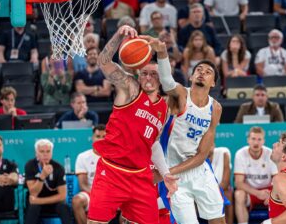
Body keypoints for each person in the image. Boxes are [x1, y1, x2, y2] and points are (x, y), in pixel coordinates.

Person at [86, 25, 177, 224]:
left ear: (161, 77)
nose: (148, 77)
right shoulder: (130, 88)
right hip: (112, 171)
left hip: (140, 177)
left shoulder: (164, 109)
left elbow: (153, 143)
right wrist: (119, 34)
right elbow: (103, 61)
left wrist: (166, 173)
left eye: (154, 74)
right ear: (138, 74)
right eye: (144, 73)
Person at [143, 33, 225, 224]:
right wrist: (162, 52)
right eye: (199, 69)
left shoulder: (216, 108)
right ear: (191, 76)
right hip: (174, 175)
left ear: (213, 82)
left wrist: (168, 171)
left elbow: (202, 155)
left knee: (218, 221)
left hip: (197, 170)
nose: (202, 72)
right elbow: (166, 81)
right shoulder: (181, 94)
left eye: (208, 71)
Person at [234, 127, 277, 224]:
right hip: (250, 191)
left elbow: (277, 179)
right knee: (239, 194)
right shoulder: (240, 154)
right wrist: (257, 193)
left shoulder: (271, 154)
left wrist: (272, 194)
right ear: (248, 140)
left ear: (263, 141)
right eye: (253, 139)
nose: (256, 143)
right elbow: (238, 183)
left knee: (281, 193)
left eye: (259, 139)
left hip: (268, 190)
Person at [24, 139, 71, 224]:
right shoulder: (30, 165)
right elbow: (33, 192)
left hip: (52, 202)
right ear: (36, 153)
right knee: (33, 208)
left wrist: (39, 200)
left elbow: (62, 196)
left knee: (64, 207)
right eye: (42, 151)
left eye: (48, 151)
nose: (45, 154)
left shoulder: (58, 167)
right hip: (35, 201)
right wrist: (42, 176)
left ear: (52, 153)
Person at [72, 124, 106, 224]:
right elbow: (83, 185)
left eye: (104, 137)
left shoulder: (116, 156)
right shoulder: (83, 157)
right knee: (77, 201)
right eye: (98, 136)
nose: (100, 139)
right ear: (92, 138)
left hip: (113, 194)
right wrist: (99, 196)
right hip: (91, 193)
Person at [0, 135, 19, 224]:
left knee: (1, 187)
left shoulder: (10, 164)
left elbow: (15, 178)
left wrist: (8, 178)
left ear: (3, 147)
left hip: (6, 203)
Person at [209, 146, 233, 224]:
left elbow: (225, 183)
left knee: (227, 195)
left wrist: (213, 192)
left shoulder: (223, 153)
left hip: (219, 190)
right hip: (201, 191)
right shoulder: (194, 158)